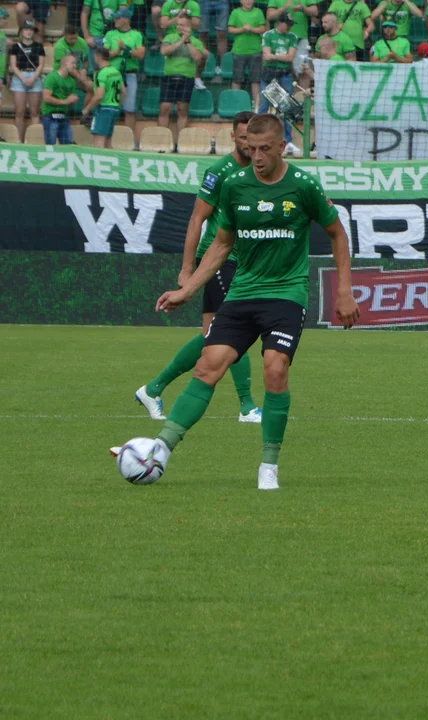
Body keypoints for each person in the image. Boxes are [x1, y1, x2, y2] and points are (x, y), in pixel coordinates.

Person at [150, 113, 360, 492]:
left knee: (274, 369)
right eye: (251, 148)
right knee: (208, 367)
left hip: (286, 293)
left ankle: (269, 464)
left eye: (265, 149)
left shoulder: (304, 186)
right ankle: (162, 447)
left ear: (282, 147)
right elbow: (222, 244)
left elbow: (337, 233)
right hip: (243, 291)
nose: (257, 155)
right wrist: (187, 289)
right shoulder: (234, 186)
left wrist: (344, 291)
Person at [132, 112, 262, 426]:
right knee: (237, 329)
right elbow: (196, 220)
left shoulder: (261, 171)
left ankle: (153, 388)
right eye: (243, 137)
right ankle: (247, 406)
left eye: (253, 138)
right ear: (233, 137)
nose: (248, 143)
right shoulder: (220, 172)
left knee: (211, 336)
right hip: (218, 260)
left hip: (242, 261)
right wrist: (187, 268)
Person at [260, 13, 301, 154]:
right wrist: (275, 57)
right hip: (269, 74)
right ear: (280, 22)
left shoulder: (293, 37)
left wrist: (274, 56)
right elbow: (266, 55)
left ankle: (288, 141)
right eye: (287, 24)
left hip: (285, 75)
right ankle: (258, 138)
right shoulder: (268, 35)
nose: (289, 27)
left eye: (290, 25)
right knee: (264, 106)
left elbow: (290, 58)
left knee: (287, 108)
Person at [160, 15, 205, 142]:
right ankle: (163, 141)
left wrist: (188, 42)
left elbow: (197, 58)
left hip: (187, 78)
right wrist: (181, 41)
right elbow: (164, 51)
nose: (179, 26)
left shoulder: (196, 42)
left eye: (182, 24)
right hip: (169, 77)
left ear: (189, 27)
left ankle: (180, 141)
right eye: (178, 24)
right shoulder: (170, 37)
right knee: (165, 108)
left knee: (182, 109)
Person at [104, 7, 145, 132]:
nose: (115, 20)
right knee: (110, 108)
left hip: (129, 75)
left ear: (126, 19)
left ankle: (128, 138)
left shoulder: (136, 35)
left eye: (118, 17)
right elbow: (105, 54)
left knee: (129, 109)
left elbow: (141, 54)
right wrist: (117, 51)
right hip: (113, 74)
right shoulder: (110, 34)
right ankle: (107, 135)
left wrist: (126, 49)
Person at [82, 46, 125, 148]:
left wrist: (87, 108)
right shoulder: (116, 71)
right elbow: (124, 91)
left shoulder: (101, 73)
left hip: (103, 108)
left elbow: (99, 95)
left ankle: (98, 162)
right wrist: (118, 105)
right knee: (108, 140)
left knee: (99, 139)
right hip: (113, 108)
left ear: (97, 57)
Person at [8, 21, 45, 143]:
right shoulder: (15, 47)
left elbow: (41, 65)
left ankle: (35, 139)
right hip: (20, 76)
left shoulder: (39, 46)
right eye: (26, 29)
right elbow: (13, 65)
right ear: (21, 31)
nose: (28, 32)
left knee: (35, 111)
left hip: (34, 75)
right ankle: (19, 139)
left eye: (31, 30)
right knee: (20, 111)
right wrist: (23, 78)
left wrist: (33, 78)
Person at [229, 0, 268, 106]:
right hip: (239, 51)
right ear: (241, 1)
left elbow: (263, 29)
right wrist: (242, 29)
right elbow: (230, 29)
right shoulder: (235, 12)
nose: (248, 1)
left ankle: (256, 105)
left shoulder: (258, 12)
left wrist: (251, 29)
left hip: (255, 51)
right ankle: (235, 104)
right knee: (237, 80)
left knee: (255, 80)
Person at [268, 0, 319, 79]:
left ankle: (302, 92)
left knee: (303, 69)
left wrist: (303, 8)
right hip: (280, 39)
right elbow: (270, 16)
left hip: (301, 38)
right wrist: (284, 8)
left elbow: (315, 12)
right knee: (281, 69)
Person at [41, 54, 80, 145]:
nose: (75, 65)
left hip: (64, 116)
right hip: (51, 116)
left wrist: (72, 101)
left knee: (68, 146)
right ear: (65, 64)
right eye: (73, 63)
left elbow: (70, 102)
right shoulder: (51, 77)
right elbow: (46, 97)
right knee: (51, 146)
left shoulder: (72, 81)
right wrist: (65, 101)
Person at [54, 25, 93, 92]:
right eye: (71, 39)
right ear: (65, 36)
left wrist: (84, 70)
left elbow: (85, 60)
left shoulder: (82, 42)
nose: (74, 41)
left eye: (75, 38)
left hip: (76, 72)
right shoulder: (59, 46)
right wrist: (81, 78)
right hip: (62, 74)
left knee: (91, 88)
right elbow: (66, 66)